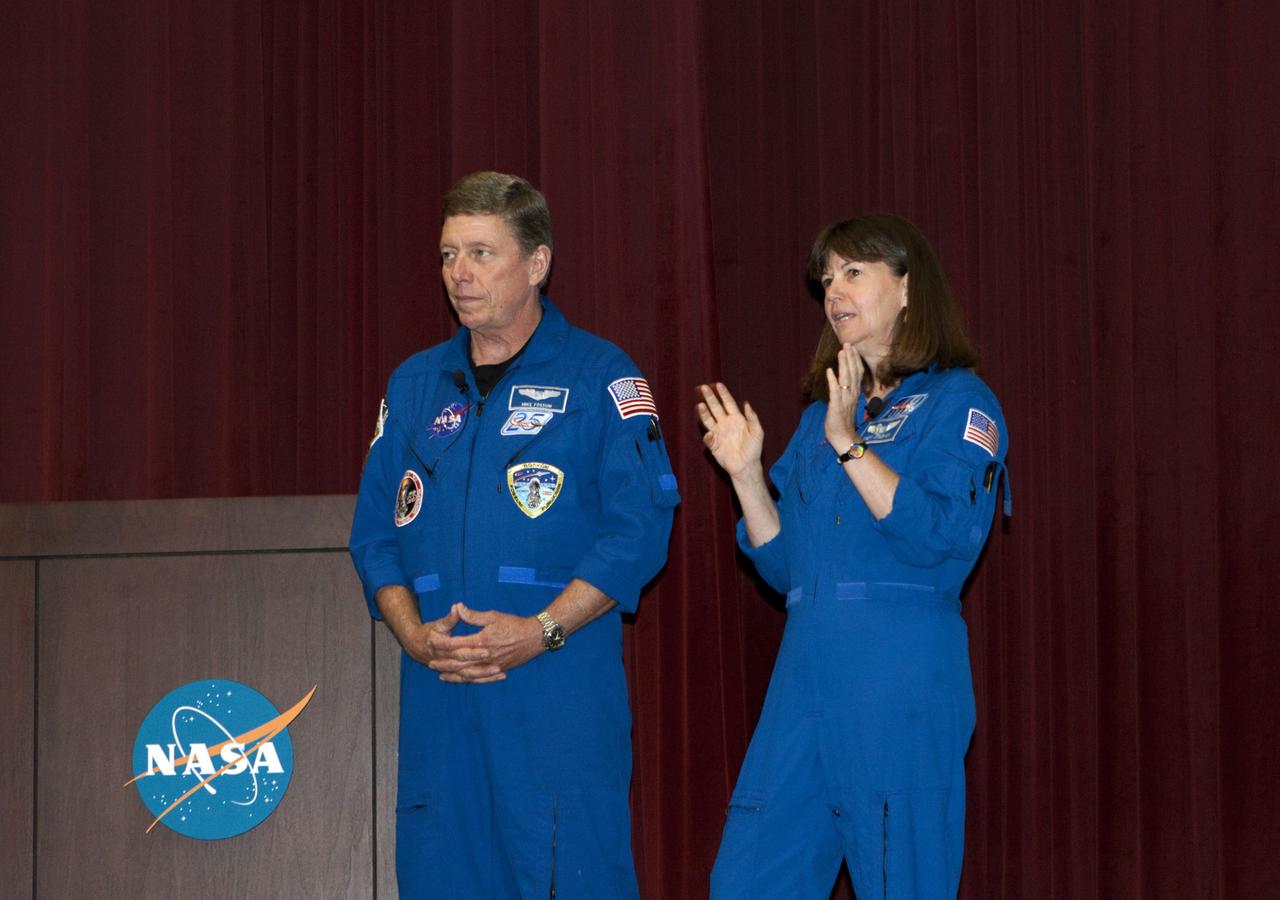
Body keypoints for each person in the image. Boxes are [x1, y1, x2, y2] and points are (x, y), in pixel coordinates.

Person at [350, 171, 679, 898]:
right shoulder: (414, 385)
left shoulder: (600, 376)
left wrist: (541, 631)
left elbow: (640, 528)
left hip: (554, 684)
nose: (459, 274)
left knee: (569, 874)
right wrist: (412, 635)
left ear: (537, 264)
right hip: (441, 689)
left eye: (481, 253)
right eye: (448, 255)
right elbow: (374, 536)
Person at [698, 214, 1009, 899]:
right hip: (805, 678)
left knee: (903, 880)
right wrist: (746, 476)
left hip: (898, 678)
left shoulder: (959, 402)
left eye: (853, 272)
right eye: (826, 278)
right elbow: (786, 570)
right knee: (748, 879)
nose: (833, 291)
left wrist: (851, 444)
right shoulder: (821, 417)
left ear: (908, 287)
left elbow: (939, 533)